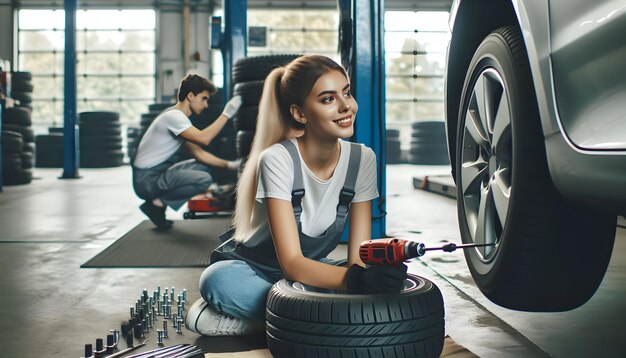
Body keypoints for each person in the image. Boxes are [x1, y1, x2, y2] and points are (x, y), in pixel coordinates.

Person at [184, 55, 407, 336]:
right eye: (327, 99)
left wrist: (373, 278)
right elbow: (290, 262)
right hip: (256, 271)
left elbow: (357, 259)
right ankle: (309, 316)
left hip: (308, 274)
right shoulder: (278, 159)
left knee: (386, 283)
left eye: (346, 92)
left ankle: (275, 320)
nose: (345, 106)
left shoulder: (362, 159)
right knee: (218, 280)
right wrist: (355, 284)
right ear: (300, 114)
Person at [132, 74, 243, 229]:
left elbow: (199, 153)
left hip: (154, 174)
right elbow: (204, 138)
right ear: (190, 96)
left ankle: (157, 205)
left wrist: (232, 165)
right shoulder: (173, 117)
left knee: (201, 167)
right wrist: (227, 113)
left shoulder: (178, 119)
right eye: (204, 98)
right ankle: (157, 204)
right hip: (146, 181)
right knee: (203, 179)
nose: (206, 105)